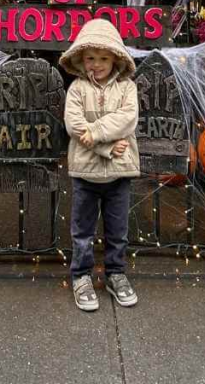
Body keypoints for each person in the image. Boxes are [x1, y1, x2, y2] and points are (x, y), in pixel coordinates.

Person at [60, 18, 140, 312]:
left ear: (116, 58)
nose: (97, 63)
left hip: (120, 173)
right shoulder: (77, 90)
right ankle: (80, 276)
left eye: (104, 58)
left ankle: (115, 274)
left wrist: (97, 131)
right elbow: (75, 126)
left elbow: (127, 119)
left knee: (117, 230)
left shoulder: (127, 88)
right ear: (81, 59)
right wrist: (105, 145)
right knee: (82, 230)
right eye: (91, 58)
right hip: (86, 173)